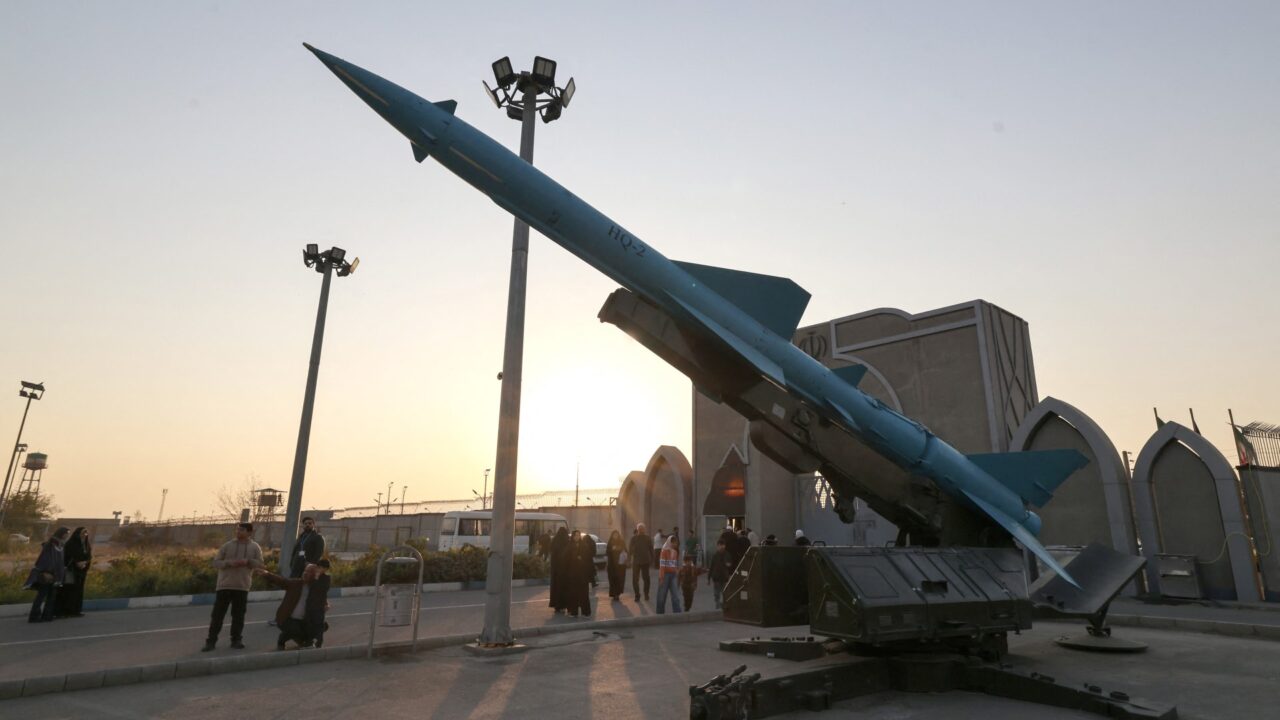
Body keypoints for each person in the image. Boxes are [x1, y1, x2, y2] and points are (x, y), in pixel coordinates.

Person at [203, 522, 264, 651]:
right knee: (217, 616)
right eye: (237, 530)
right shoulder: (227, 545)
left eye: (242, 530)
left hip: (242, 586)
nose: (238, 532)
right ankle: (211, 641)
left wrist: (248, 561)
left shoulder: (255, 547)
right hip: (224, 586)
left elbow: (260, 564)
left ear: (249, 532)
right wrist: (229, 563)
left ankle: (236, 640)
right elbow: (215, 563)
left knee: (238, 616)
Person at [255, 560, 332, 649]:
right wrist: (267, 574)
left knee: (322, 626)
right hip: (287, 619)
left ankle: (305, 641)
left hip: (304, 620)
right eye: (305, 571)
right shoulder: (295, 584)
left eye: (310, 572)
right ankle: (283, 639)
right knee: (295, 630)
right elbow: (281, 581)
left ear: (315, 575)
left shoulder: (315, 588)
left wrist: (326, 604)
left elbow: (321, 596)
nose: (305, 573)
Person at [26, 526, 69, 623]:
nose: (67, 535)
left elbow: (59, 561)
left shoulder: (60, 545)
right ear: (62, 533)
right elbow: (44, 559)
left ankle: (47, 615)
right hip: (47, 574)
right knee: (41, 595)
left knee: (51, 596)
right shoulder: (51, 545)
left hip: (55, 575)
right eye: (66, 533)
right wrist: (45, 572)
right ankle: (34, 616)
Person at [58, 526, 91, 618]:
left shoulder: (86, 545)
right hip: (71, 571)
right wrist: (76, 563)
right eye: (83, 533)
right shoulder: (71, 544)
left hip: (82, 571)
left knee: (78, 591)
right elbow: (67, 557)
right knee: (68, 591)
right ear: (77, 534)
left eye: (86, 533)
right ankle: (65, 612)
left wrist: (85, 563)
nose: (84, 535)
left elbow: (89, 556)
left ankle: (76, 610)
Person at [565, 530, 593, 617]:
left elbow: (589, 558)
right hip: (572, 574)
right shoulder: (569, 546)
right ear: (573, 536)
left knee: (584, 593)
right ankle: (574, 612)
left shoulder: (584, 546)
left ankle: (586, 612)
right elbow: (565, 560)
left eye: (578, 535)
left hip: (582, 574)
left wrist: (582, 559)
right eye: (575, 535)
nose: (577, 537)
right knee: (573, 594)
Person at [655, 535, 682, 614]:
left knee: (675, 596)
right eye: (673, 542)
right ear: (669, 542)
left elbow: (675, 565)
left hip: (673, 575)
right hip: (665, 575)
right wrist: (661, 577)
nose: (675, 544)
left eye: (676, 543)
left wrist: (677, 573)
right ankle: (660, 614)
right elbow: (662, 566)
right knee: (662, 596)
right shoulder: (664, 551)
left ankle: (677, 613)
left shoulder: (675, 552)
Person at [548, 526, 571, 613]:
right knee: (565, 588)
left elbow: (552, 553)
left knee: (556, 588)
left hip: (556, 570)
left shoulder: (554, 541)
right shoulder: (567, 541)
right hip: (565, 570)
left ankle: (557, 606)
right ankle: (564, 605)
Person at [628, 522, 653, 602]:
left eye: (642, 529)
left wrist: (652, 559)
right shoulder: (633, 539)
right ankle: (637, 595)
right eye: (640, 529)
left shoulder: (648, 538)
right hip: (636, 562)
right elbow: (630, 550)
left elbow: (651, 549)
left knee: (646, 579)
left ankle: (646, 594)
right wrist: (629, 559)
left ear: (644, 529)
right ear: (637, 529)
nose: (641, 530)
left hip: (645, 561)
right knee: (635, 580)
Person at [708, 539, 735, 610]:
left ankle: (724, 605)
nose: (721, 547)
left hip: (724, 577)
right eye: (719, 545)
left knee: (724, 592)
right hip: (716, 577)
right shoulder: (715, 555)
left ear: (724, 546)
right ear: (717, 546)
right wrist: (708, 578)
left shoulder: (727, 554)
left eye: (722, 545)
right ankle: (717, 605)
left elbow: (730, 564)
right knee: (716, 593)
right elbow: (711, 567)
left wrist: (728, 565)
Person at [605, 530, 627, 600]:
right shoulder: (610, 542)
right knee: (612, 579)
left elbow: (625, 550)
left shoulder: (621, 542)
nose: (615, 536)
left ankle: (617, 594)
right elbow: (607, 552)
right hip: (611, 565)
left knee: (619, 579)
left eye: (616, 535)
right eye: (614, 535)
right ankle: (614, 594)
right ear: (612, 535)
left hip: (620, 565)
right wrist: (612, 549)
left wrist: (618, 548)